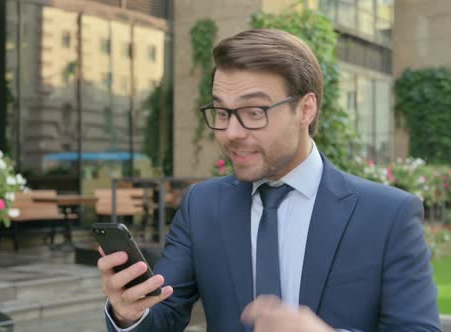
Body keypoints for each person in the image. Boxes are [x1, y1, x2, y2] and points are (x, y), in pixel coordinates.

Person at [97, 29, 441, 332]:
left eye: (253, 113)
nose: (231, 133)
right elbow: (163, 316)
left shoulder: (388, 215)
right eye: (221, 112)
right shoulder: (201, 205)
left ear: (306, 109)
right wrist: (129, 315)